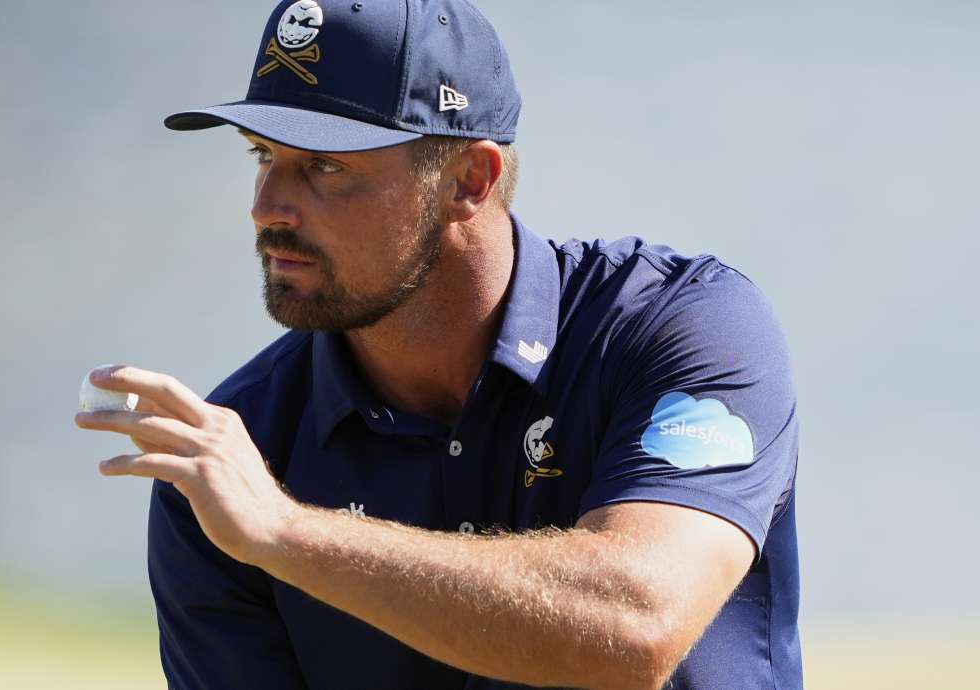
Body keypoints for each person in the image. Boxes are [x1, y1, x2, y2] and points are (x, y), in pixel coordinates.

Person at [74, 1, 802, 688]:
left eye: (325, 166)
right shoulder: (234, 459)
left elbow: (635, 624)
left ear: (469, 180)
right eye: (262, 155)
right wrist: (264, 521)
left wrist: (285, 532)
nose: (267, 207)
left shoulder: (681, 326)